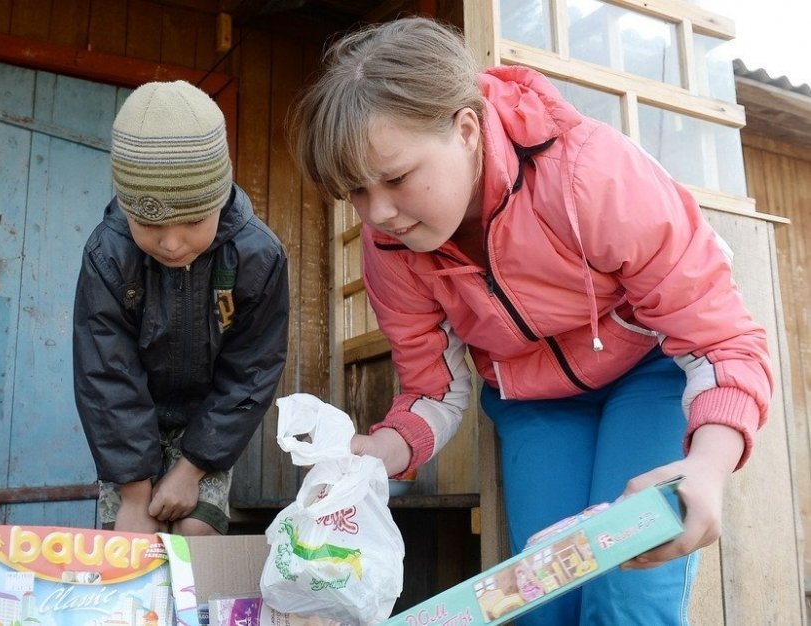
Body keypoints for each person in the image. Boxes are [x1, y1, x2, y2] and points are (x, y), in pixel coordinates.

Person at [288, 16, 772, 625]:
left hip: (653, 371)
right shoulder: (391, 251)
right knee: (538, 597)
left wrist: (708, 465)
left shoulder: (590, 172)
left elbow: (720, 337)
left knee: (627, 591)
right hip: (534, 395)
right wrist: (375, 453)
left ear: (466, 129)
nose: (378, 212)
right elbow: (432, 387)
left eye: (396, 178)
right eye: (355, 191)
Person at [73, 80, 289, 537]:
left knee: (197, 532)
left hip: (209, 428)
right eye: (149, 224)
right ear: (129, 209)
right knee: (131, 541)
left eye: (193, 221)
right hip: (130, 428)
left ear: (219, 197)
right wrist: (134, 491)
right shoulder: (107, 254)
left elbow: (252, 371)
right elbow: (106, 374)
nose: (171, 243)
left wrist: (192, 468)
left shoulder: (260, 258)